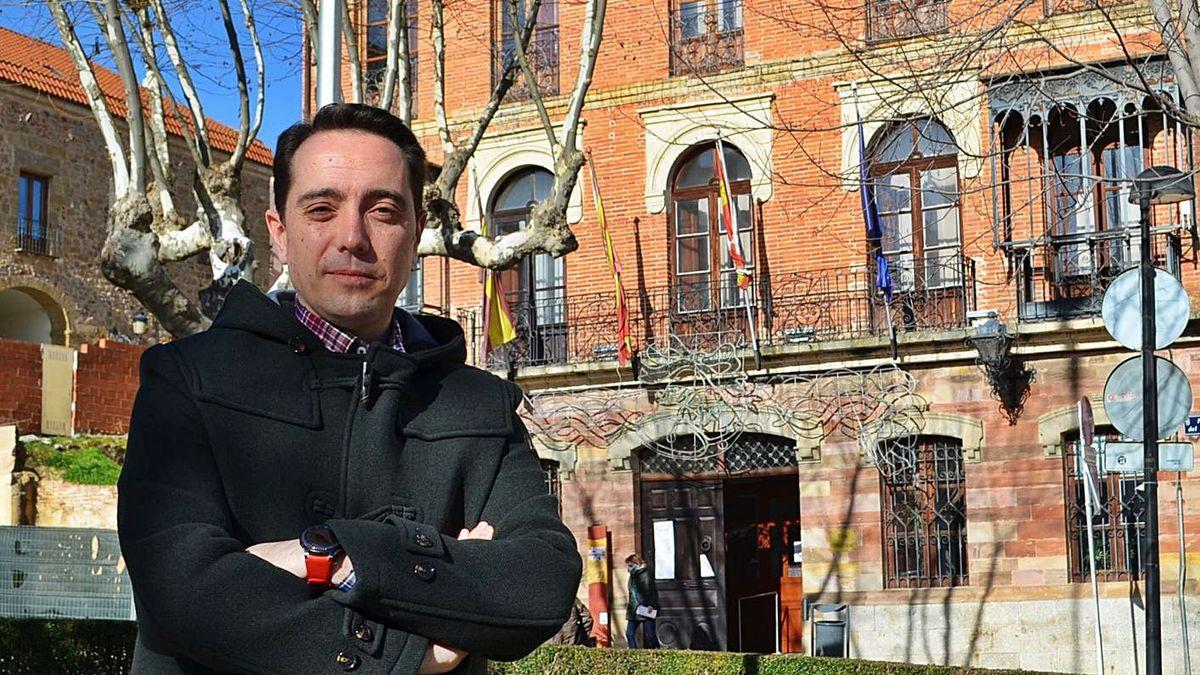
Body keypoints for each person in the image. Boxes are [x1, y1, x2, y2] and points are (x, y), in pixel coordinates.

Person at [117, 103, 582, 674]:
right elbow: (180, 591)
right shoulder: (188, 379)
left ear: (415, 235)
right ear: (279, 234)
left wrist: (324, 556)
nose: (353, 238)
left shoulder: (480, 406)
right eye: (321, 208)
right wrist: (414, 651)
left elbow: (540, 586)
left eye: (383, 210)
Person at [624, 553, 660, 649]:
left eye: (631, 565)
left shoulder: (646, 575)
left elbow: (652, 591)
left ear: (637, 563)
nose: (629, 568)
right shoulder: (632, 576)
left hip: (646, 608)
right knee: (629, 633)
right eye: (628, 565)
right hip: (634, 609)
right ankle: (633, 653)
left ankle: (657, 653)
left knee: (650, 634)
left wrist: (651, 605)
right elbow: (631, 592)